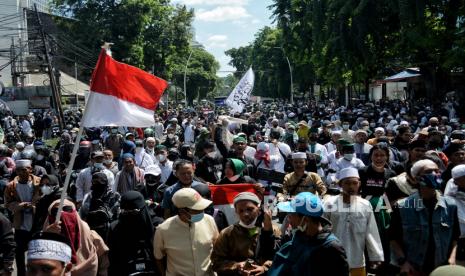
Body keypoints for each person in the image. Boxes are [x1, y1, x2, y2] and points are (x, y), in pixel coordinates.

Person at [390, 160, 460, 275]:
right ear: (417, 178)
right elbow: (393, 238)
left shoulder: (450, 205)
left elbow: (455, 237)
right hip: (414, 268)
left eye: (437, 171)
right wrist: (404, 262)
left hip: (440, 267)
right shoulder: (403, 206)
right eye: (429, 171)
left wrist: (452, 258)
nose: (435, 174)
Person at [268, 192, 349, 275]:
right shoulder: (298, 236)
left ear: (305, 220)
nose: (289, 219)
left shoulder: (332, 247)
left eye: (291, 214)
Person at [324, 168, 384, 276]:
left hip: (357, 260)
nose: (351, 187)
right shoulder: (329, 203)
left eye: (354, 183)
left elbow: (371, 231)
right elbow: (323, 230)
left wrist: (375, 255)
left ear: (359, 184)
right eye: (347, 183)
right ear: (340, 184)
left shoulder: (365, 205)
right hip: (332, 259)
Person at [154, 188, 219, 276]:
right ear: (182, 211)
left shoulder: (209, 220)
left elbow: (217, 248)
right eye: (197, 210)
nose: (202, 212)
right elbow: (158, 257)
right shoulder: (163, 230)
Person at [211, 192, 278, 275]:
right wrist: (236, 266)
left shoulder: (272, 230)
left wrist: (265, 268)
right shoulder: (227, 234)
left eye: (250, 209)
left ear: (258, 208)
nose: (245, 214)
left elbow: (279, 257)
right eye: (241, 211)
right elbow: (217, 262)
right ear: (236, 211)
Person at [44, 199, 110, 275]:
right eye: (56, 211)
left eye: (67, 209)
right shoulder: (42, 239)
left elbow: (104, 266)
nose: (62, 214)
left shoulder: (92, 238)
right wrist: (47, 237)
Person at [4, 159, 41, 276]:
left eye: (24, 170)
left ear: (30, 170)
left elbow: (46, 199)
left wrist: (34, 206)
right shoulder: (11, 186)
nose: (21, 173)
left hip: (36, 224)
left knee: (37, 253)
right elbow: (8, 204)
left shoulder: (39, 183)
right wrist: (19, 206)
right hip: (20, 224)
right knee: (19, 252)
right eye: (18, 170)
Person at [108, 191, 158, 276]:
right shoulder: (115, 228)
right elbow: (112, 260)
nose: (129, 215)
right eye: (125, 212)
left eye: (134, 212)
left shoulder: (156, 227)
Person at [80, 172, 121, 241]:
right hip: (91, 232)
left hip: (110, 233)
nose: (97, 186)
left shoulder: (115, 196)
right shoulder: (89, 196)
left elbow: (118, 216)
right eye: (95, 183)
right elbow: (83, 215)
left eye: (100, 184)